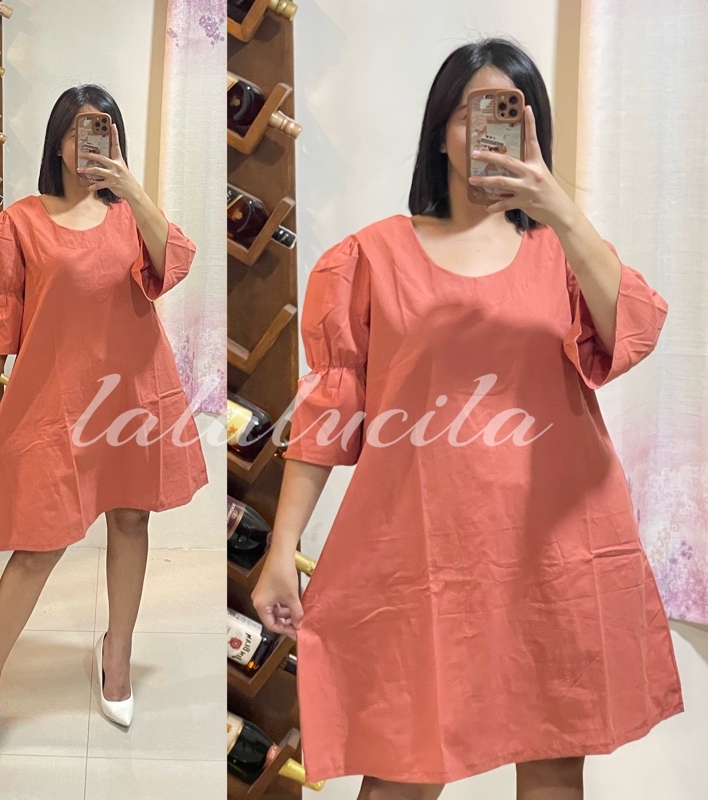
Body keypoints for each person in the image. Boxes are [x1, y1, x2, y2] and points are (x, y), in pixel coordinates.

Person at [251, 38, 684, 800]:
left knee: (554, 763)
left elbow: (631, 332)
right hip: (424, 559)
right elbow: (330, 408)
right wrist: (282, 545)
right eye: (471, 113)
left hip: (555, 551)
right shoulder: (370, 259)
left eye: (512, 114)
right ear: (440, 132)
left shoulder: (566, 255)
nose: (487, 133)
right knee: (406, 770)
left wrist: (557, 207)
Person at [0, 85, 208, 766]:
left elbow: (174, 264)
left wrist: (130, 186)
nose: (89, 143)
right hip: (54, 404)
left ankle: (116, 652)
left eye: (104, 130)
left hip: (131, 399)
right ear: (57, 141)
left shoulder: (129, 216)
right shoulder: (18, 224)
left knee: (130, 520)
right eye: (78, 130)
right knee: (38, 548)